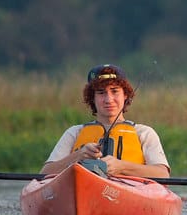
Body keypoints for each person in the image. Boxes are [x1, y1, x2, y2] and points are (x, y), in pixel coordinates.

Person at [42, 64, 170, 178]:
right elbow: (44, 173)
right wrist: (78, 156)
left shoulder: (144, 133)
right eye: (101, 93)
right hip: (84, 188)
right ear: (92, 98)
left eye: (114, 91)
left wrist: (122, 167)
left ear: (125, 95)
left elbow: (162, 174)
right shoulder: (74, 133)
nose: (109, 99)